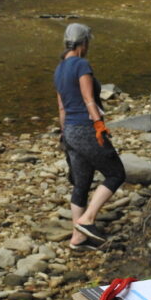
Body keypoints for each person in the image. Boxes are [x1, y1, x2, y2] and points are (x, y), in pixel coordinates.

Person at [54, 22, 126, 251]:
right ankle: (87, 220)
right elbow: (88, 100)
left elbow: (62, 108)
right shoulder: (81, 64)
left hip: (70, 132)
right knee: (115, 173)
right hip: (86, 128)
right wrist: (98, 124)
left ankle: (77, 239)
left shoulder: (59, 69)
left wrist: (64, 134)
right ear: (83, 43)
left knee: (82, 183)